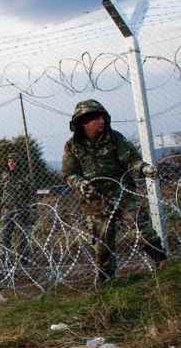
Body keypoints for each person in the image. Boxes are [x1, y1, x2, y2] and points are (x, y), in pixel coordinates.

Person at [61, 99, 166, 282]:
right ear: (83, 121)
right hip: (95, 201)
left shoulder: (114, 138)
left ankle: (162, 263)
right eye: (96, 118)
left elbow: (131, 160)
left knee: (141, 230)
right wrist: (80, 184)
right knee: (102, 246)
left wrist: (143, 169)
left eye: (102, 116)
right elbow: (69, 173)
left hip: (123, 194)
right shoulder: (72, 146)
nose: (101, 121)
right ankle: (107, 283)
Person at [0, 153, 36, 265]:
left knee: (22, 236)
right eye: (9, 162)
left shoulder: (25, 177)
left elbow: (32, 196)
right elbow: (0, 194)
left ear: (18, 163)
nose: (11, 164)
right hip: (7, 210)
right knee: (5, 236)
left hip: (21, 210)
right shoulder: (4, 176)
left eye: (13, 161)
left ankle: (24, 260)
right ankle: (5, 260)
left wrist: (32, 211)